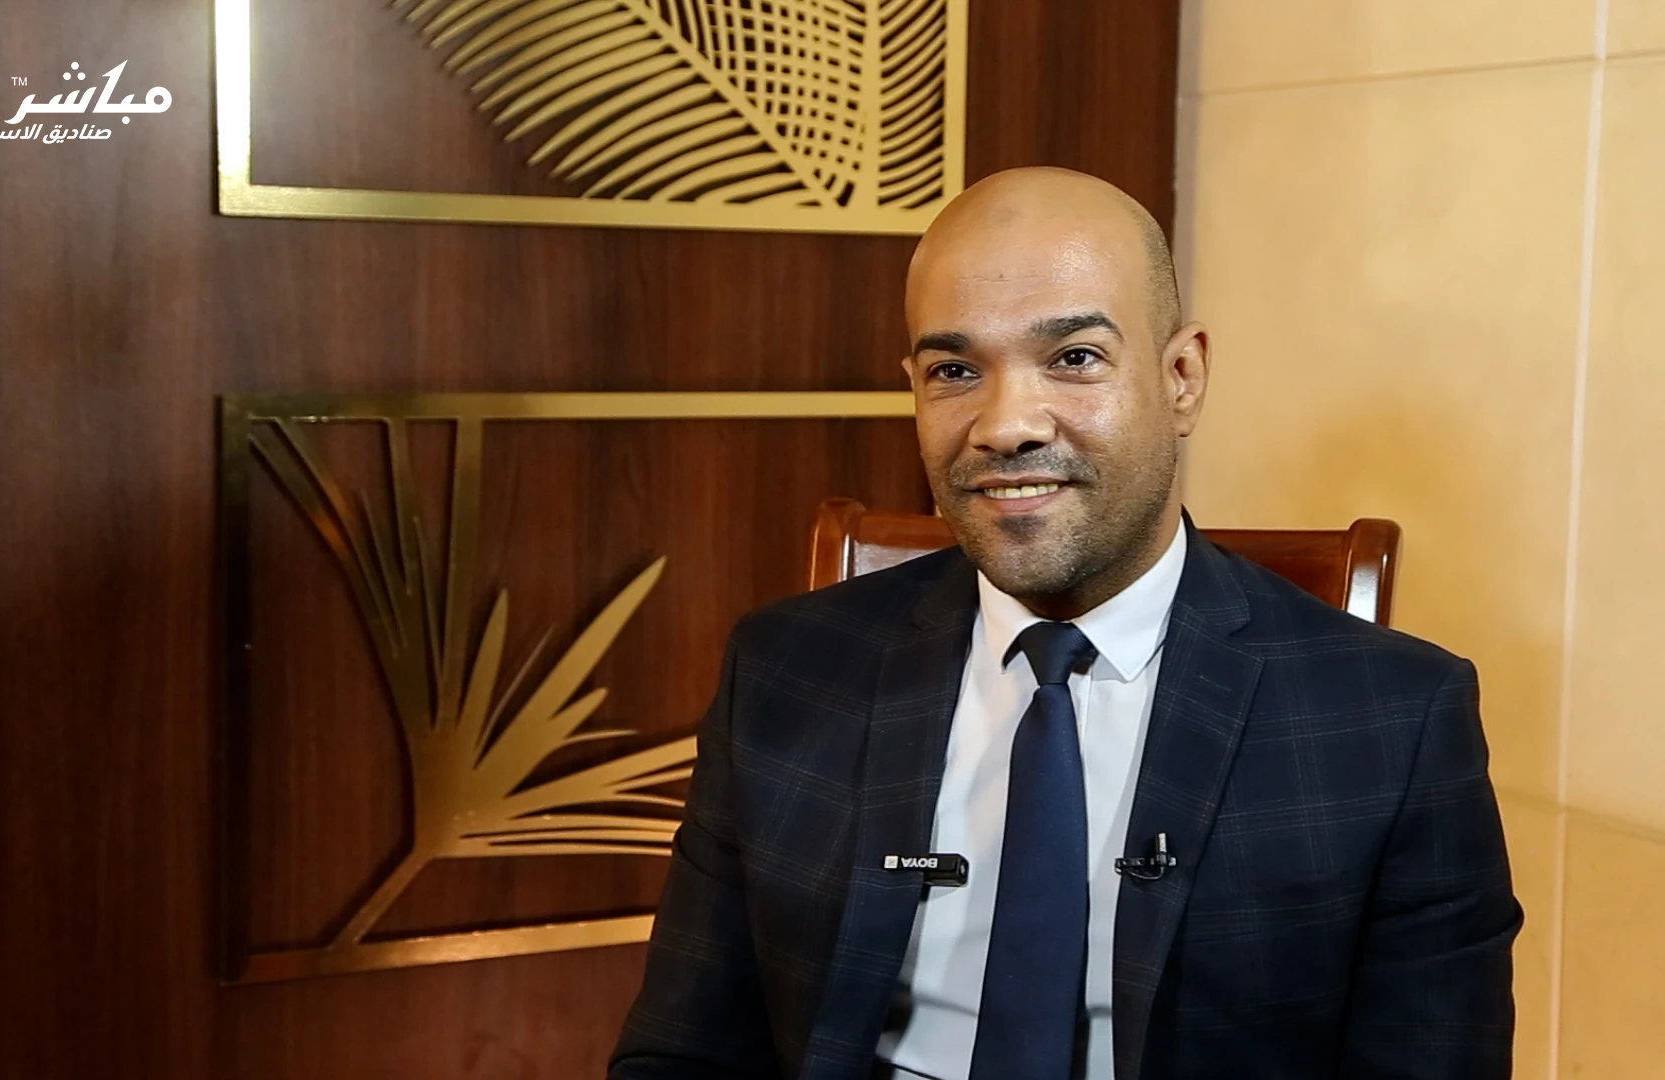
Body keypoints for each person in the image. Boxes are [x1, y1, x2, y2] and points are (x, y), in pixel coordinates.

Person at [610, 167, 1520, 1079]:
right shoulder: (786, 669)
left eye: (1074, 358)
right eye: (955, 371)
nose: (1005, 426)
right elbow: (683, 1054)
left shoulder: (1395, 720)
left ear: (1182, 378)